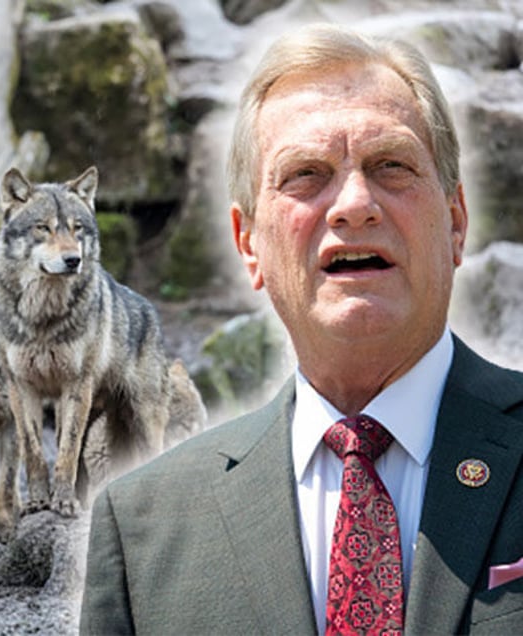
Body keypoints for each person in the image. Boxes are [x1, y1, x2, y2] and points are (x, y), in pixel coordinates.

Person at [79, 22, 523, 635]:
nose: (353, 204)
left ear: (455, 222)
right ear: (249, 244)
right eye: (306, 174)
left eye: (391, 164)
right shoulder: (143, 530)